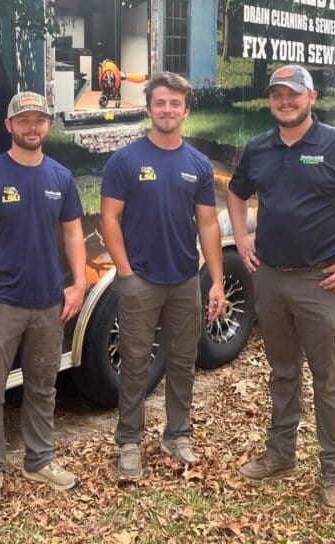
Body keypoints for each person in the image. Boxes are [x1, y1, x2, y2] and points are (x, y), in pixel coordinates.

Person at [226, 64, 335, 510]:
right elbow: (237, 191)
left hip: (319, 282)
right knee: (282, 374)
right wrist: (243, 237)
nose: (285, 101)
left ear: (312, 97)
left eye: (293, 94)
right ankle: (280, 454)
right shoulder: (259, 148)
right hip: (270, 280)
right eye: (277, 94)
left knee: (329, 380)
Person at [0, 91, 86, 508]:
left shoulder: (60, 177)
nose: (33, 127)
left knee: (43, 387)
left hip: (48, 303)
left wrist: (78, 283)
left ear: (48, 125)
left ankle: (40, 459)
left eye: (40, 120)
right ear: (9, 125)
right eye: (24, 120)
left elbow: (72, 233)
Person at [100, 72, 225, 480]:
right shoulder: (126, 160)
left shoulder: (197, 164)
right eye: (160, 103)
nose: (167, 110)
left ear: (186, 110)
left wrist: (217, 281)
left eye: (175, 104)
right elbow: (110, 219)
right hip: (141, 281)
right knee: (135, 363)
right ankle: (130, 442)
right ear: (149, 108)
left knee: (184, 361)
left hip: (185, 279)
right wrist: (125, 272)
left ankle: (177, 434)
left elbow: (208, 225)